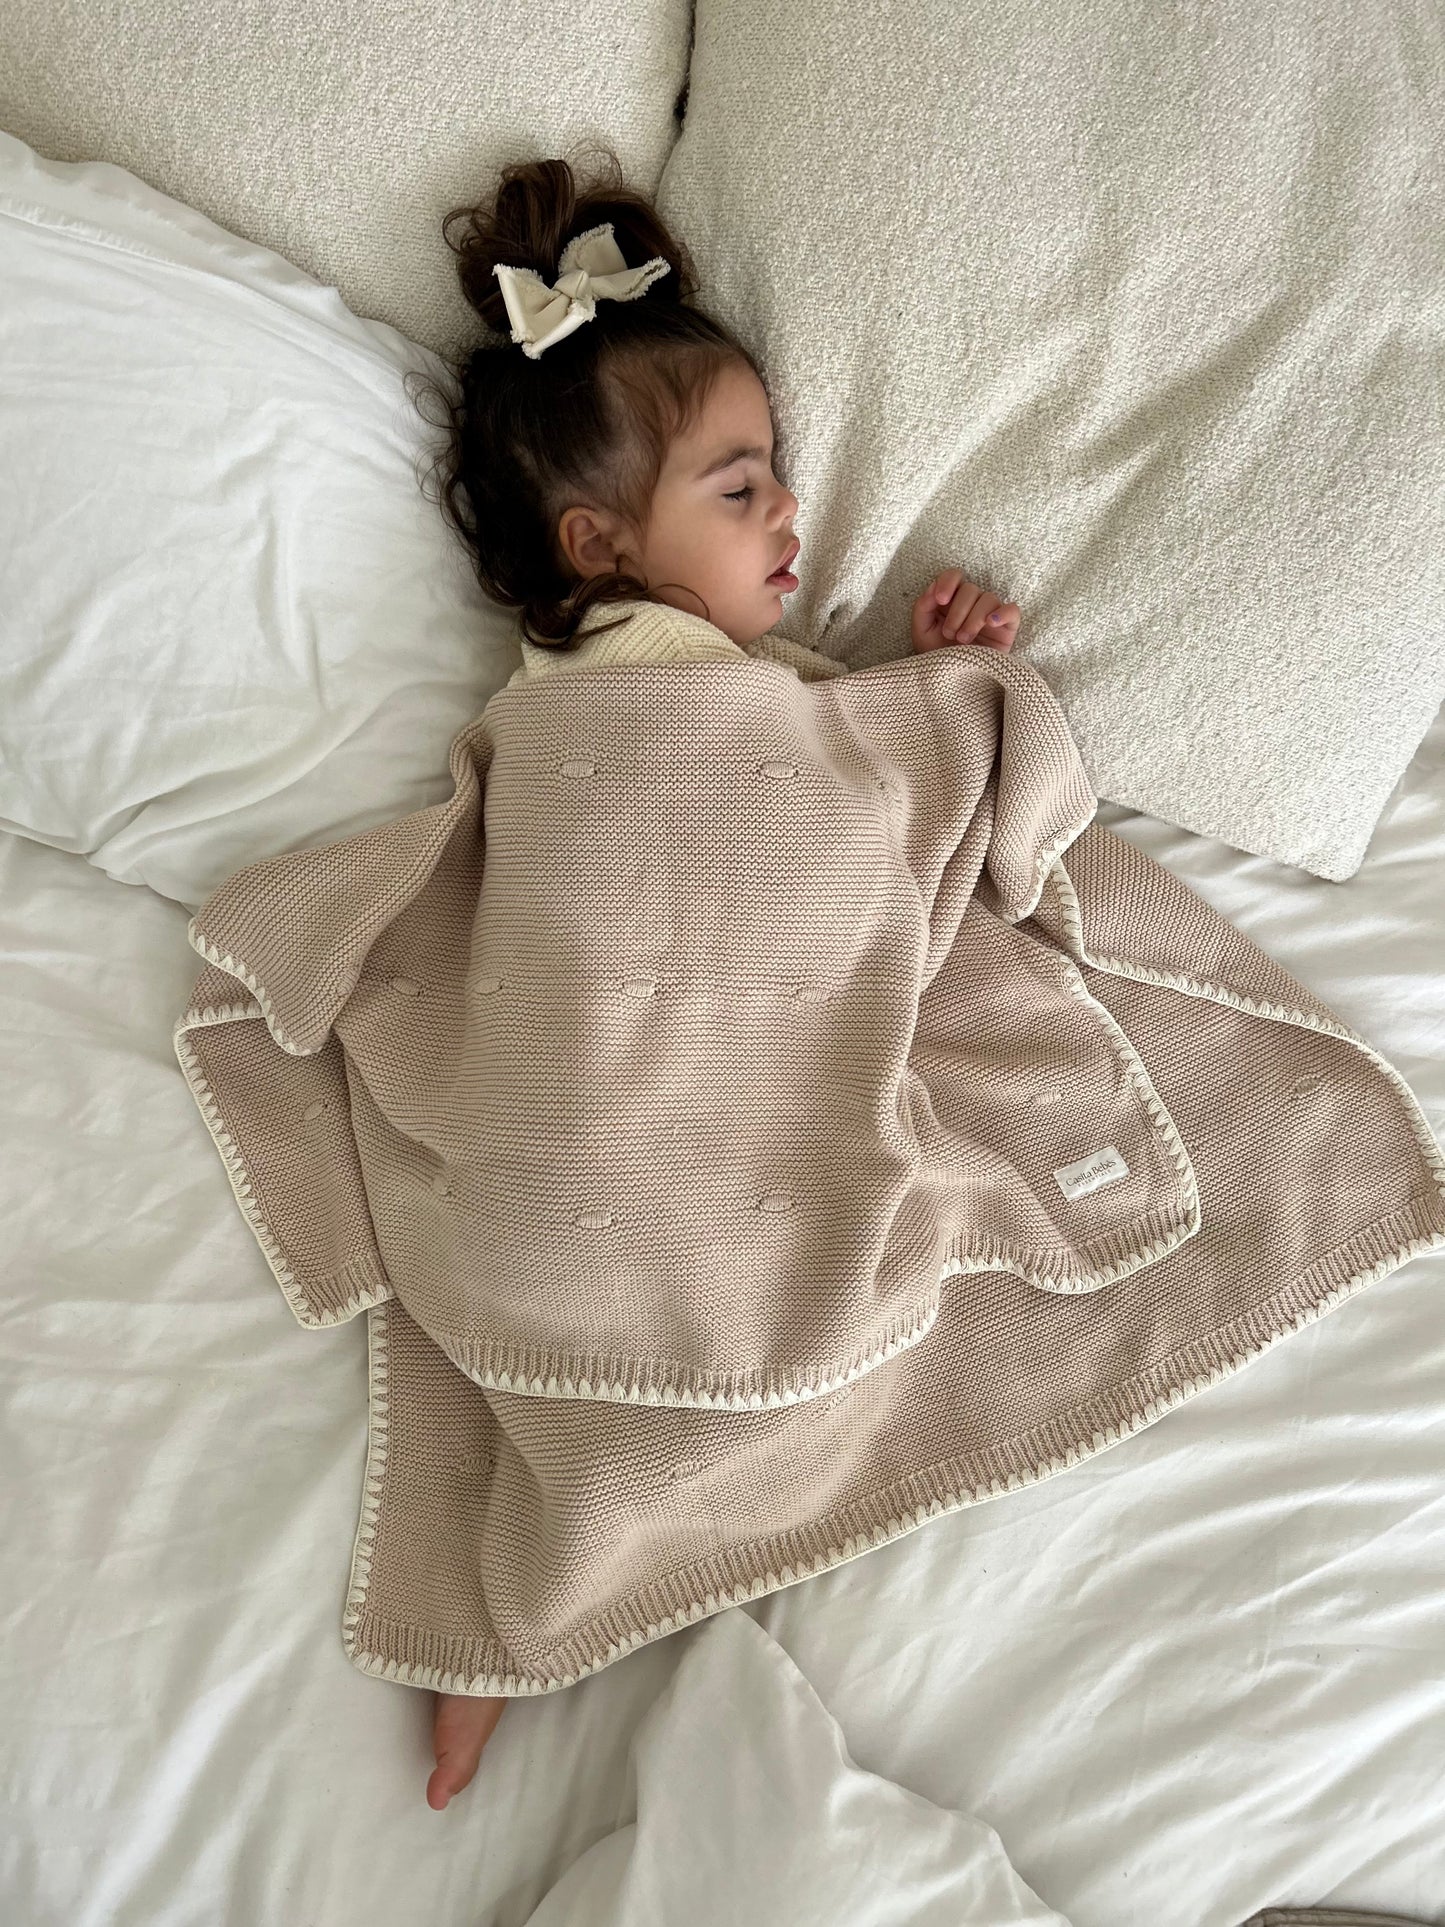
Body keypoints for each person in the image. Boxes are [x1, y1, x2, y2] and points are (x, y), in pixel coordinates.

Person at [407, 138, 1019, 1810]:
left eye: (779, 480)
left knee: (658, 1332)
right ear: (598, 543)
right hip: (581, 1117)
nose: (790, 516)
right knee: (632, 1288)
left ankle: (527, 1612)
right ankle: (519, 1617)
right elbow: (753, 826)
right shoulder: (575, 710)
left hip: (684, 1121)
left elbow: (821, 812)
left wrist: (924, 682)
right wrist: (937, 717)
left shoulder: (752, 681)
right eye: (739, 491)